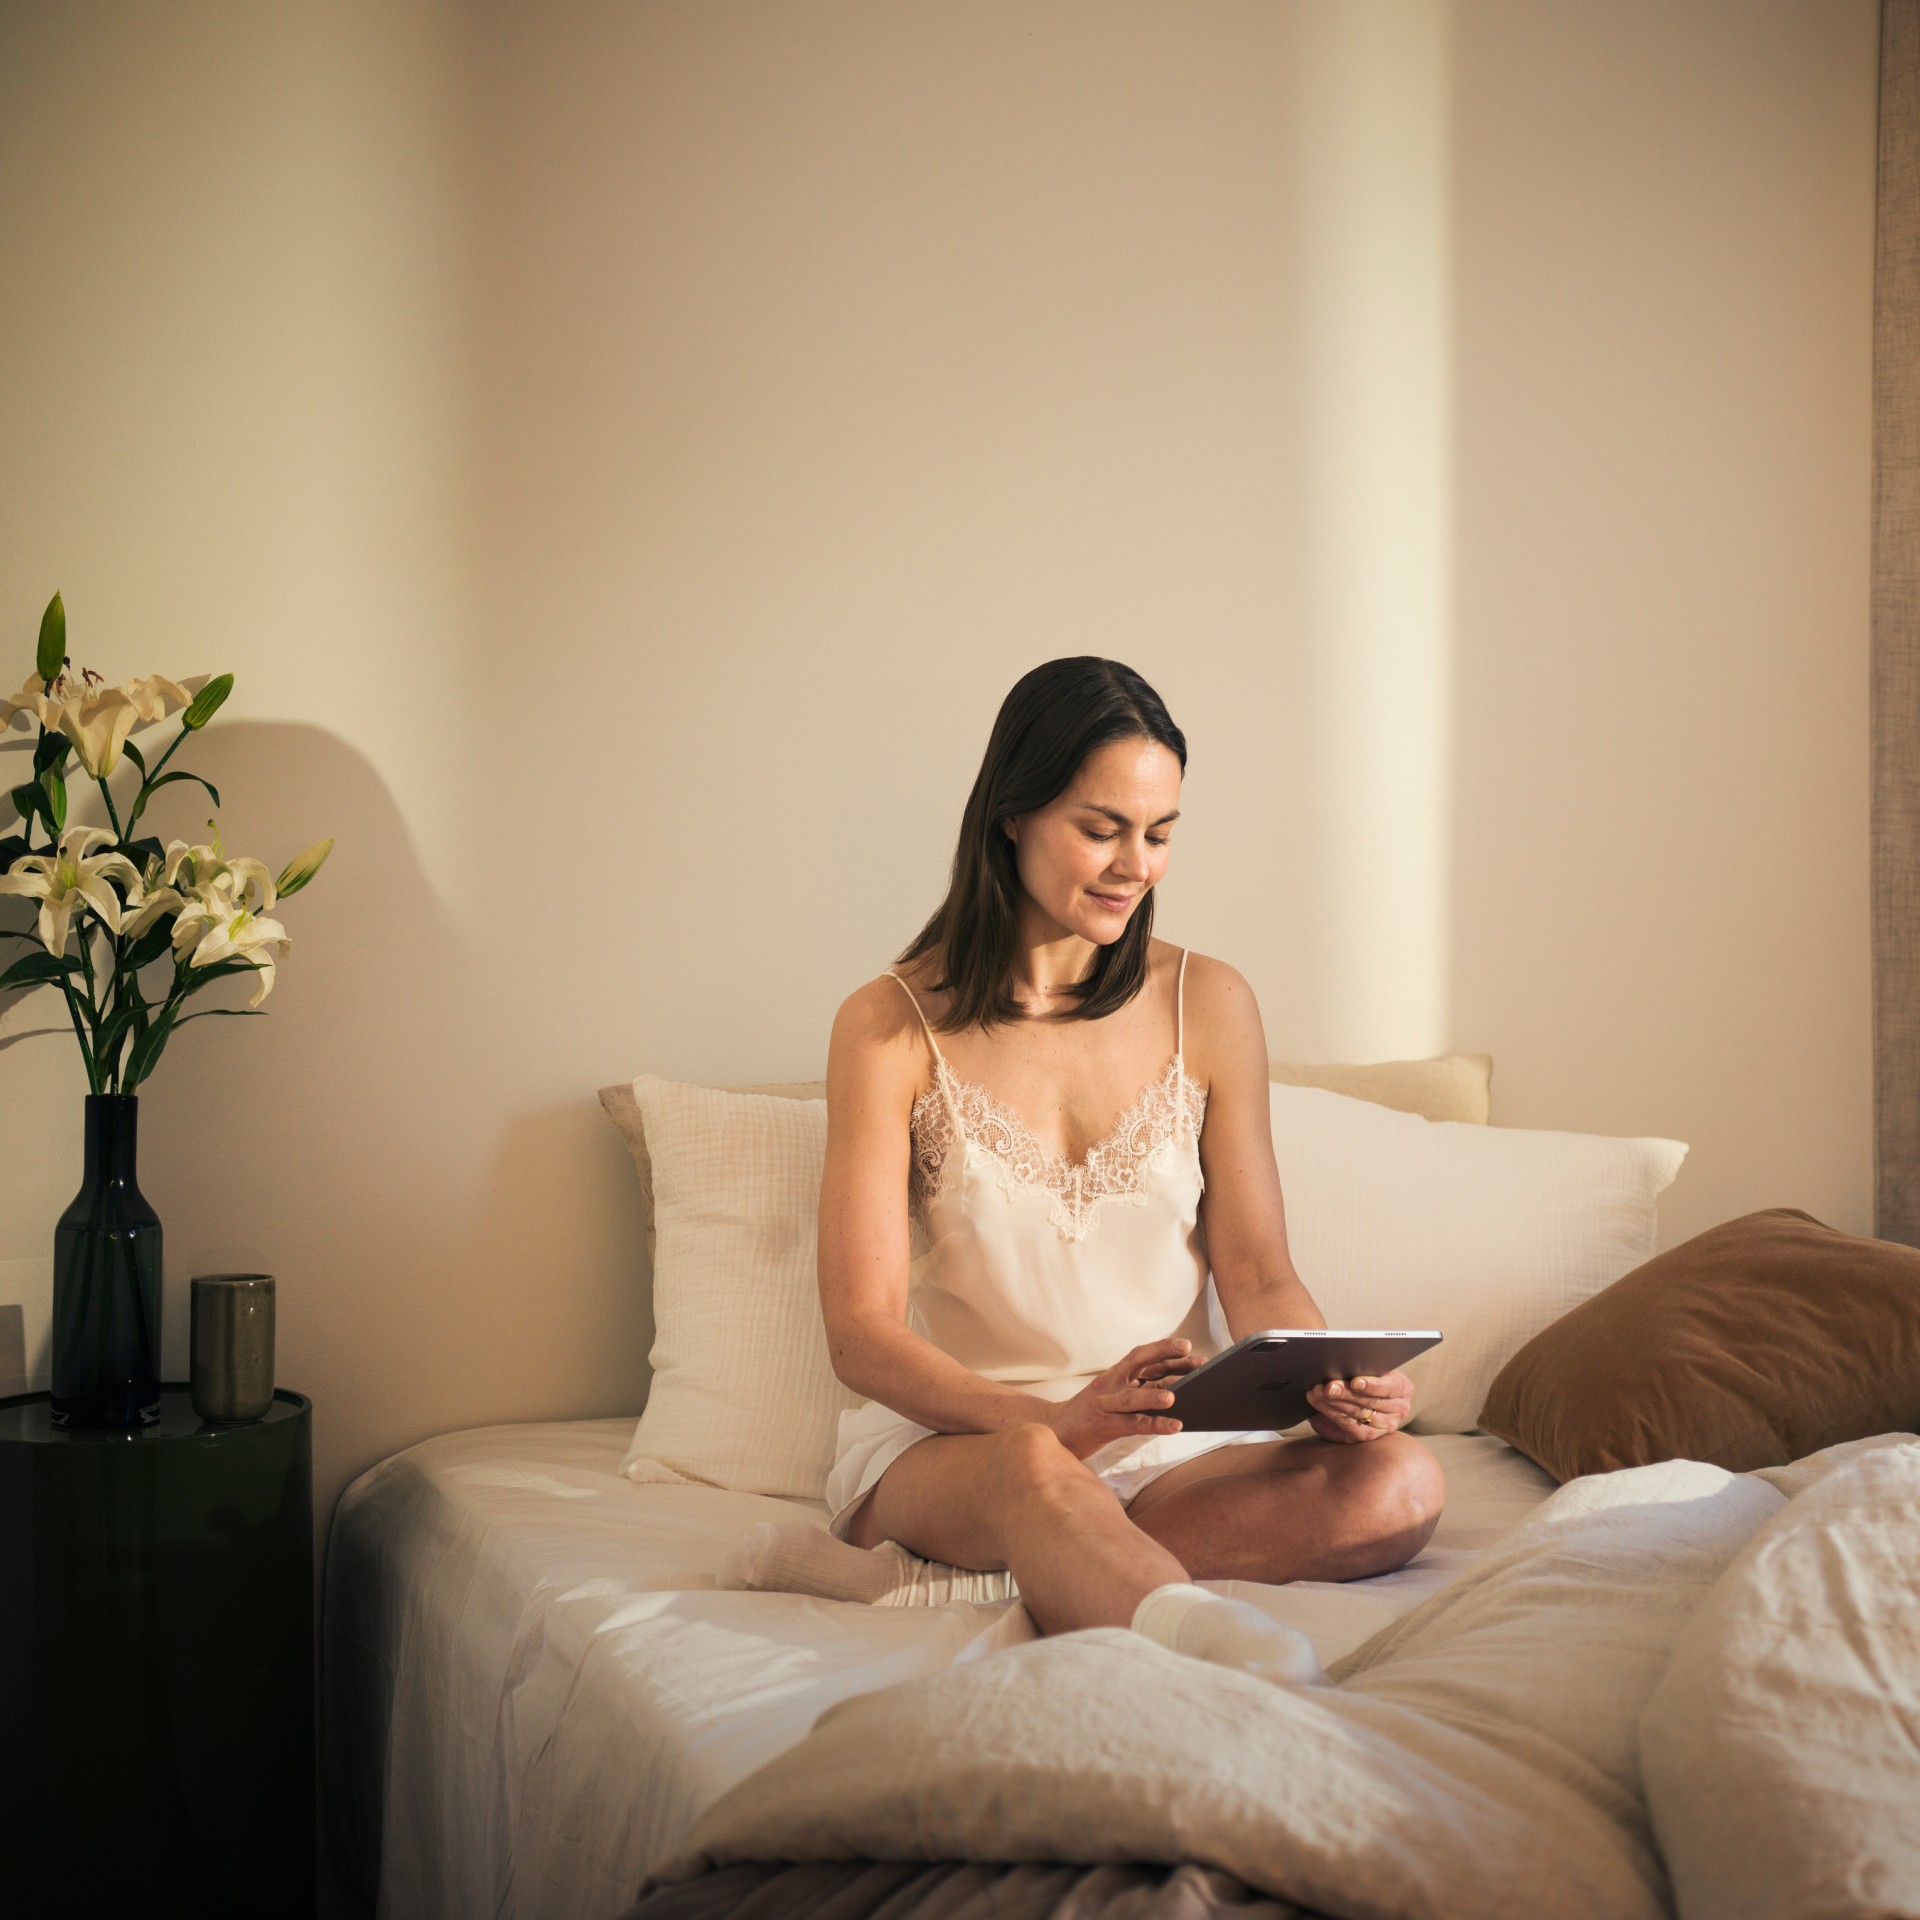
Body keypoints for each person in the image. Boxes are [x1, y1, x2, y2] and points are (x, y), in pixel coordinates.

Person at [734, 658, 1444, 1681]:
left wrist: (1331, 1377)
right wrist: (1059, 1422)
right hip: (968, 1446)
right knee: (1035, 1470)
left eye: (1159, 834)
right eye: (1101, 828)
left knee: (1400, 1480)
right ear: (1013, 814)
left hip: (1162, 1452)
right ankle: (1211, 1652)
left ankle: (995, 1579)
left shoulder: (1211, 1001)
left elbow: (1256, 1273)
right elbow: (863, 1335)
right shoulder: (887, 1027)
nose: (1134, 866)